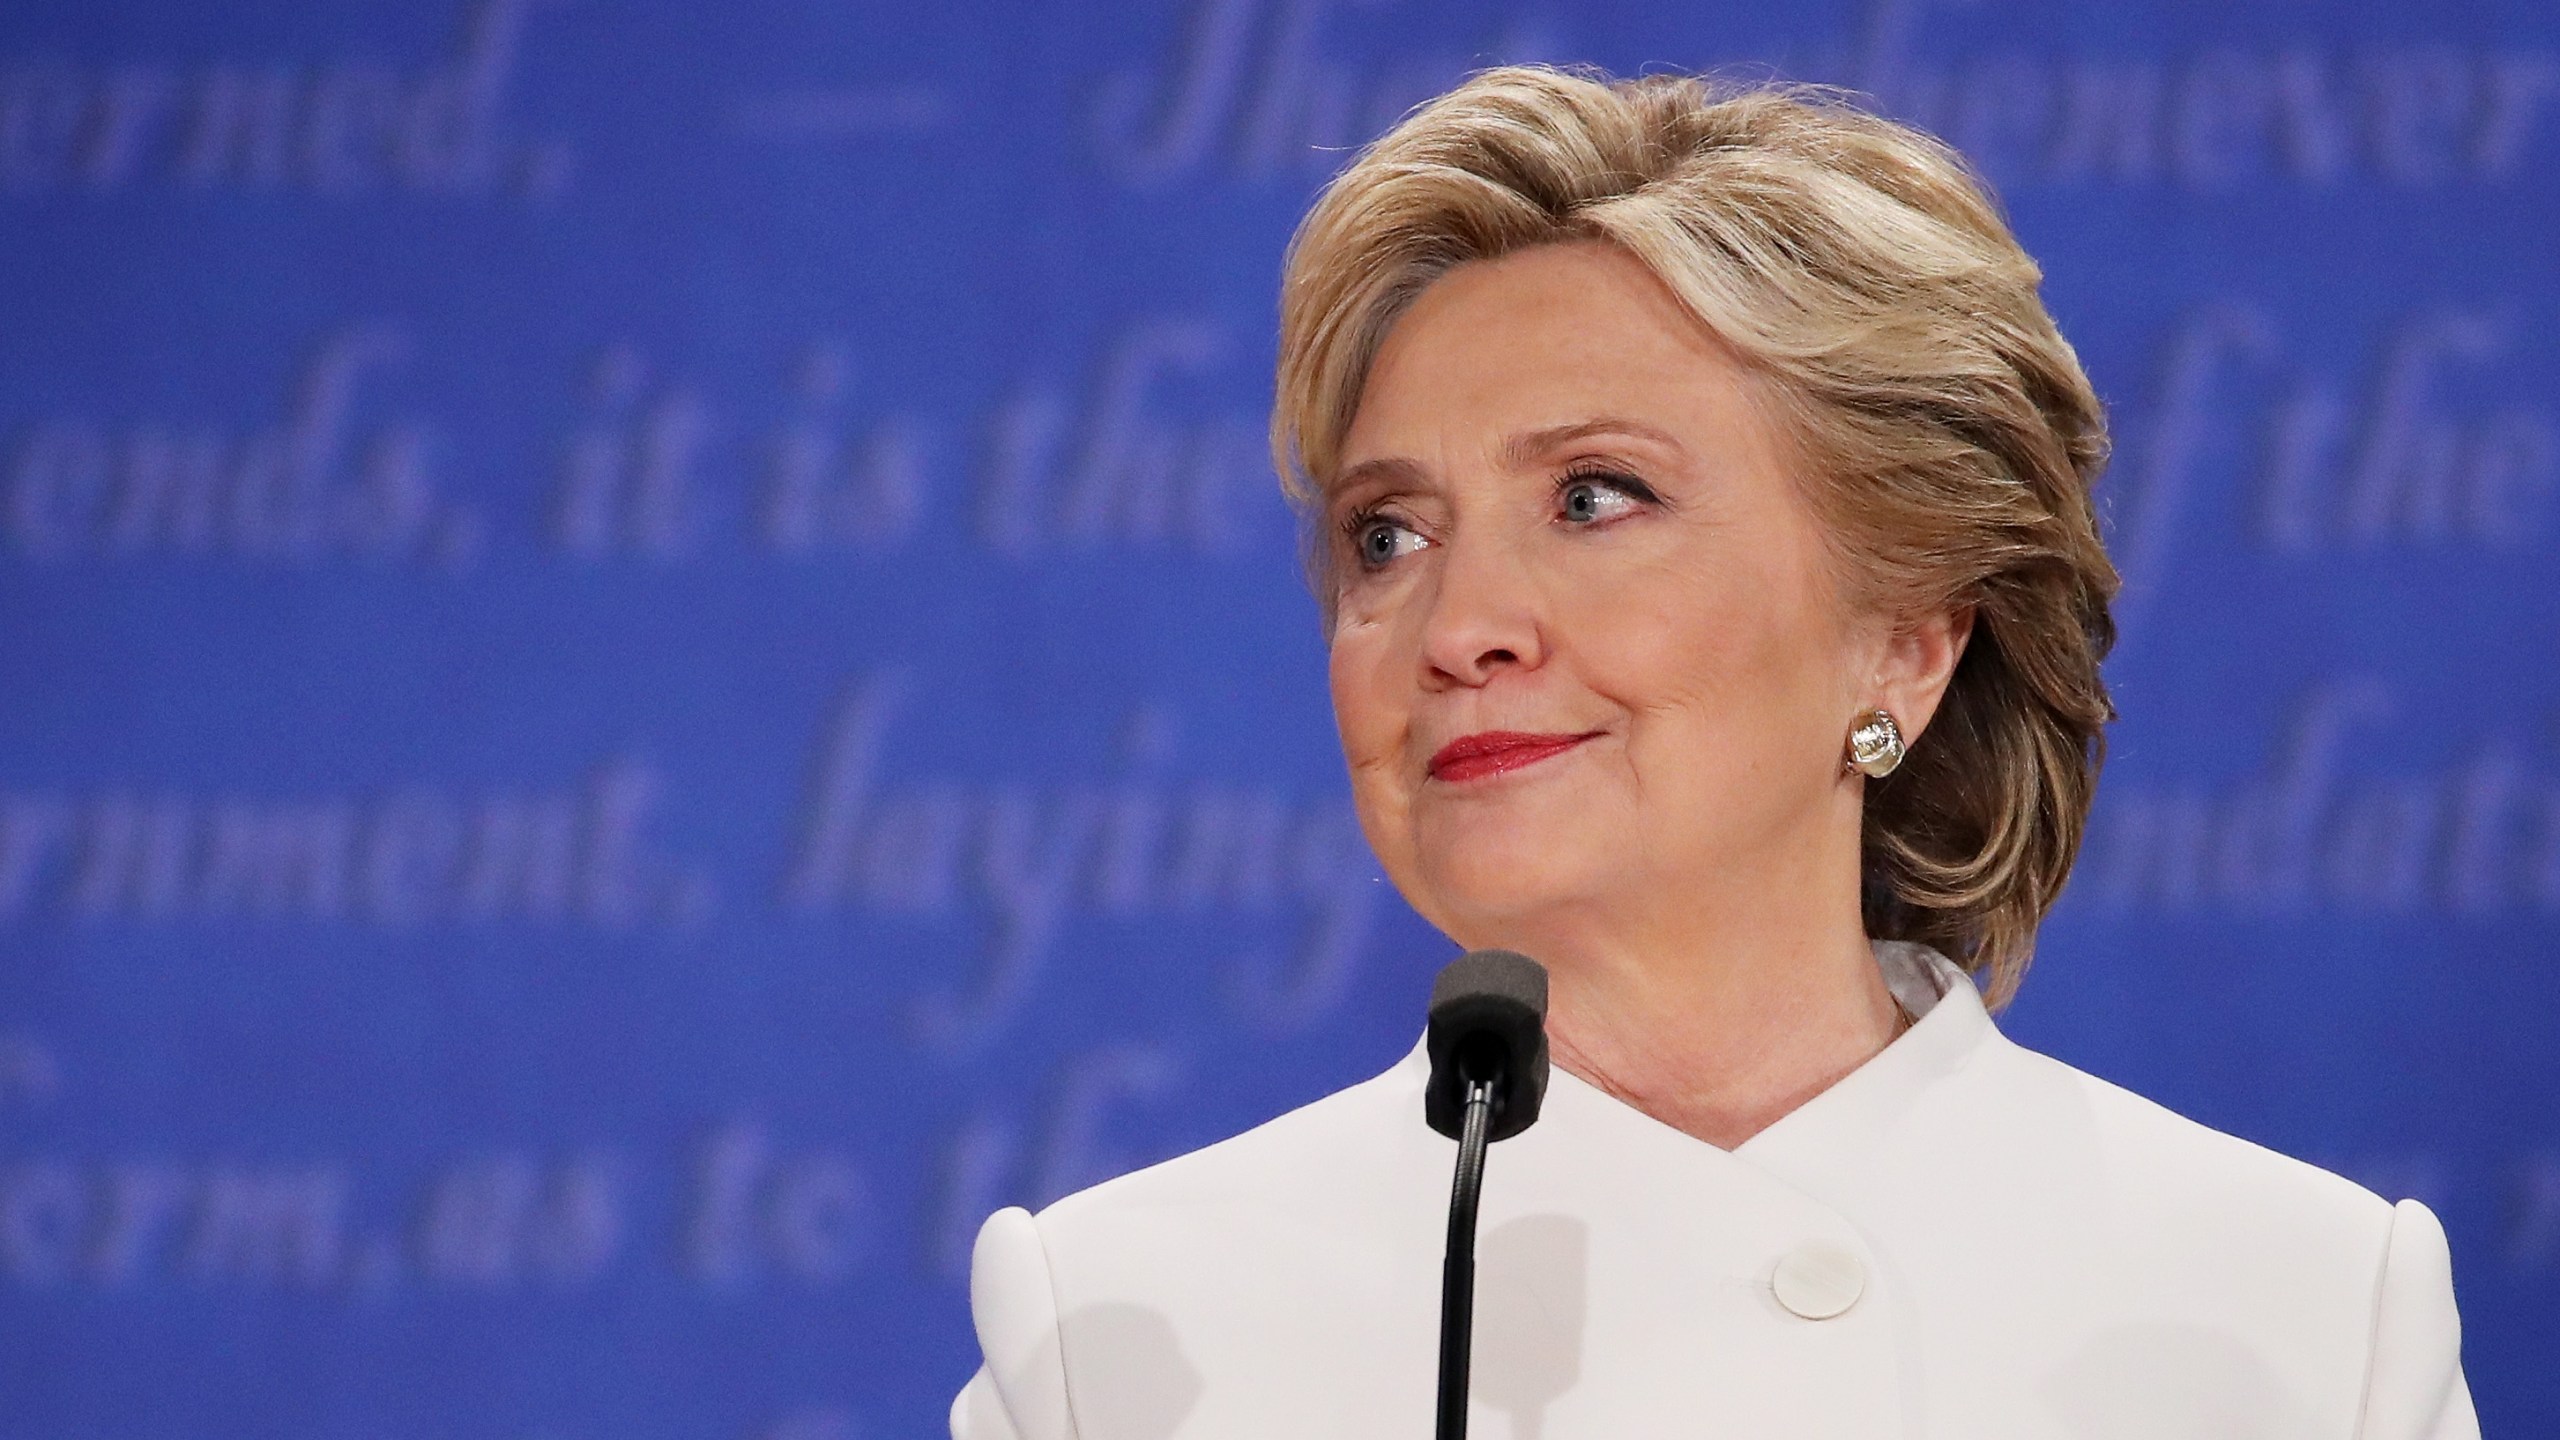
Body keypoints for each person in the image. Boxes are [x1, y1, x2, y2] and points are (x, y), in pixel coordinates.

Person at [948, 65, 2476, 1439]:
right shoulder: (1121, 1339)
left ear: (1909, 640)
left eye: (1597, 497)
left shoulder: (2303, 1319)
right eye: (1388, 534)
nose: (1459, 626)